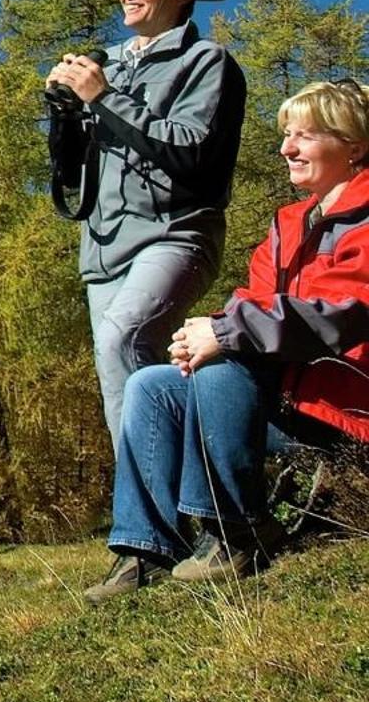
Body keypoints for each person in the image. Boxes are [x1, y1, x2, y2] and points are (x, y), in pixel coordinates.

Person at [86, 79, 369, 600]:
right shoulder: (289, 225)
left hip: (341, 411)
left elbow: (344, 316)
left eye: (304, 136)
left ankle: (236, 528)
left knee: (224, 357)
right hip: (283, 402)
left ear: (353, 145)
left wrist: (224, 334)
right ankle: (146, 548)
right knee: (152, 384)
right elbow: (252, 303)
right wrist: (202, 333)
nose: (286, 148)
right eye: (287, 135)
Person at [45, 0, 246, 450]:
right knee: (120, 384)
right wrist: (65, 115)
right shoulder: (103, 63)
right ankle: (158, 518)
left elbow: (191, 150)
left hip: (175, 233)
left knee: (123, 341)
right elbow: (72, 175)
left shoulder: (206, 62)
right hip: (105, 245)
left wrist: (105, 98)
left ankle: (180, 505)